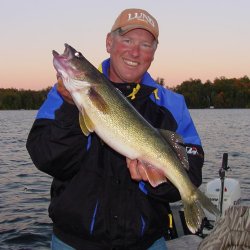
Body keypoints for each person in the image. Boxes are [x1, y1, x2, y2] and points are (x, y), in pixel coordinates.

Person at [26, 8, 204, 250]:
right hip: (73, 243)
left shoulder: (174, 105)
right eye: (127, 40)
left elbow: (190, 172)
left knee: (186, 188)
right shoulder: (64, 94)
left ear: (153, 53)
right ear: (109, 42)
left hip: (147, 243)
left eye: (146, 44)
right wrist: (70, 109)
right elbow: (46, 158)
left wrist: (157, 181)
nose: (135, 51)